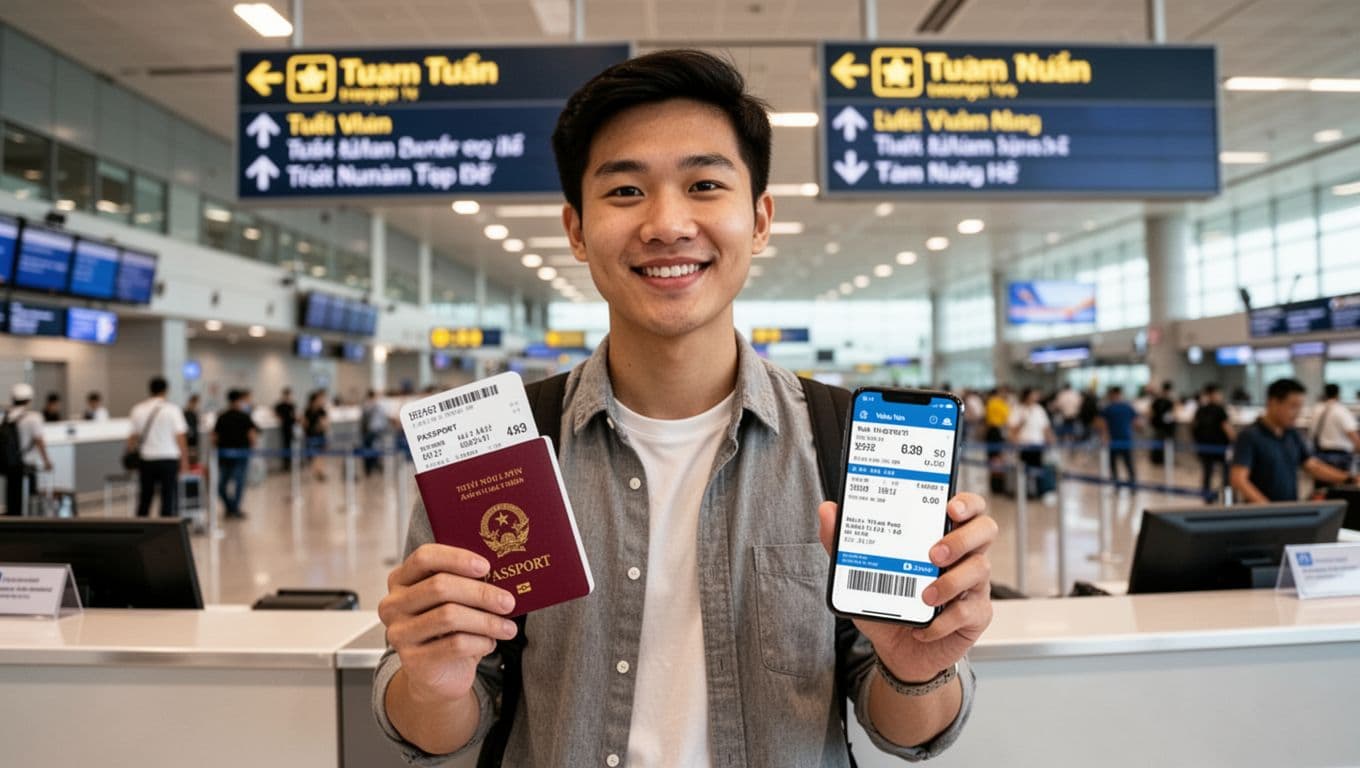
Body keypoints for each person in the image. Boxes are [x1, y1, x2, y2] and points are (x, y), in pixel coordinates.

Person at [374, 50, 995, 767]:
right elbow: (435, 729)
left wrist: (917, 670)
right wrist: (434, 682)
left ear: (759, 218)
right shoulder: (495, 451)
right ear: (575, 230)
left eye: (704, 184)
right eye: (626, 191)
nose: (668, 224)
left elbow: (906, 730)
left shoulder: (850, 443)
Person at [1230, 378, 1356, 503]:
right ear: (1273, 402)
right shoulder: (1250, 436)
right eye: (1293, 406)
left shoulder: (1292, 434)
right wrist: (1268, 508)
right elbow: (1239, 479)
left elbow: (1312, 466)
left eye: (1300, 407)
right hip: (1260, 517)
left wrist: (1348, 479)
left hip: (1289, 511)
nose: (1297, 413)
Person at [126, 376, 190, 518]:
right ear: (166, 390)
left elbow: (132, 438)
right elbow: (180, 437)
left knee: (145, 497)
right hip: (168, 458)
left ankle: (141, 529)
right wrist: (185, 461)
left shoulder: (138, 409)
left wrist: (129, 454)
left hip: (146, 459)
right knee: (168, 496)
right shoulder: (173, 410)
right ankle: (165, 530)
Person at [2, 383, 52, 516]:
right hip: (26, 465)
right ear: (29, 399)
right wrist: (47, 461)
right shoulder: (33, 417)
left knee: (12, 496)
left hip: (9, 464)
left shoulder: (7, 416)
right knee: (28, 499)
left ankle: (12, 522)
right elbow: (39, 441)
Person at [212, 388, 258, 520]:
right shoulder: (245, 416)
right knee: (239, 483)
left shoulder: (221, 416)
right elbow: (252, 436)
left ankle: (230, 507)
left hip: (224, 456)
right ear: (239, 400)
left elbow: (214, 438)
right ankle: (235, 508)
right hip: (241, 454)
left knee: (221, 485)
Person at [1310, 383, 1360, 491]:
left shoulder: (1316, 409)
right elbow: (1353, 436)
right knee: (1340, 492)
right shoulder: (1340, 410)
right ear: (1338, 395)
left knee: (1322, 493)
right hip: (1339, 459)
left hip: (1318, 457)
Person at [1191, 384, 1235, 502]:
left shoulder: (1200, 409)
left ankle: (1207, 497)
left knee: (1207, 473)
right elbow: (1227, 429)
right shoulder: (1220, 410)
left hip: (1205, 448)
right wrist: (1236, 441)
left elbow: (1194, 426)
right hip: (1220, 448)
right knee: (1226, 474)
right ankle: (1228, 498)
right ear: (1214, 394)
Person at [1009, 387, 1054, 487]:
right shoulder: (1018, 409)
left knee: (1038, 468)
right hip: (1024, 445)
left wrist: (1050, 438)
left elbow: (1045, 427)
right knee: (1024, 469)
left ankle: (1038, 489)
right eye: (1033, 395)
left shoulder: (1039, 409)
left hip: (1038, 444)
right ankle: (1026, 491)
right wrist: (1021, 423)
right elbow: (1012, 429)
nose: (1035, 397)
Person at [1096, 386, 1140, 488]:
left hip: (1115, 440)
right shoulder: (1127, 407)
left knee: (1114, 462)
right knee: (1128, 462)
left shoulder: (1108, 408)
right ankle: (1132, 483)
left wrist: (1104, 436)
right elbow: (1137, 423)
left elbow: (1101, 424)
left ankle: (1117, 483)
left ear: (1112, 395)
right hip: (1125, 438)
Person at [360, 389, 389, 476]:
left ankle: (374, 466)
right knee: (368, 451)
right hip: (369, 432)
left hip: (375, 432)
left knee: (375, 450)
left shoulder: (377, 407)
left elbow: (383, 420)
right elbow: (364, 420)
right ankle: (369, 469)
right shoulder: (367, 406)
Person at [303, 390, 330, 481]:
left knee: (320, 455)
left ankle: (320, 472)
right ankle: (316, 472)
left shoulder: (321, 411)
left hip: (320, 436)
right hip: (310, 436)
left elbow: (325, 424)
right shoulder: (308, 411)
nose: (321, 401)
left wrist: (321, 425)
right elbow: (305, 424)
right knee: (313, 456)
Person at [1148, 381, 1176, 465]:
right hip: (1162, 426)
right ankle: (1159, 460)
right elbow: (1151, 412)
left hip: (1163, 426)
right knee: (1161, 444)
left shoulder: (1165, 400)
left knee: (1164, 444)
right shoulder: (1164, 401)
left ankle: (1162, 460)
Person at [274, 388, 298, 472]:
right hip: (285, 427)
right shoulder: (279, 405)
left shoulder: (292, 405)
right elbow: (275, 414)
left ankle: (292, 463)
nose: (288, 397)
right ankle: (286, 464)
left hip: (292, 427)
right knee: (285, 445)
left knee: (292, 445)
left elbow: (294, 415)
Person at [183, 393, 201, 465]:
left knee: (191, 453)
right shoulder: (189, 413)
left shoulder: (191, 412)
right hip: (191, 437)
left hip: (191, 436)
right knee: (191, 453)